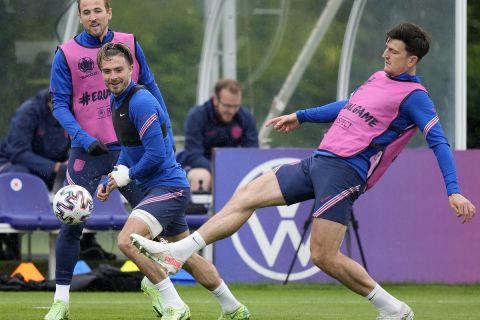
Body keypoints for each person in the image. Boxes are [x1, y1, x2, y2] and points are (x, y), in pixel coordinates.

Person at [130, 22, 477, 320]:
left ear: (412, 60)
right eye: (386, 48)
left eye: (393, 51)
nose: (385, 54)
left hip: (345, 172)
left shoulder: (415, 96)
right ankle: (181, 251)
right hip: (319, 160)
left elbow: (440, 141)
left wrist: (453, 189)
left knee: (323, 256)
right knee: (248, 194)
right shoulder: (377, 78)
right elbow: (348, 106)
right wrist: (301, 115)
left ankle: (393, 308)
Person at [96, 42, 249, 320]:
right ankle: (233, 308)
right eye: (107, 71)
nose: (113, 76)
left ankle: (175, 305)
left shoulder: (141, 101)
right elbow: (130, 149)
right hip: (157, 188)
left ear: (132, 68)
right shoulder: (115, 100)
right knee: (188, 257)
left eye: (119, 69)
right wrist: (116, 173)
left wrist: (128, 174)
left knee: (127, 241)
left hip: (169, 188)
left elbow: (156, 155)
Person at [45, 0, 170, 319]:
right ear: (80, 16)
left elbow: (150, 85)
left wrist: (164, 126)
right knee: (71, 222)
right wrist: (84, 138)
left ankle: (158, 288)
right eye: (86, 12)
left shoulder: (129, 43)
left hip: (130, 149)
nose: (92, 17)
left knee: (153, 225)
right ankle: (61, 301)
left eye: (97, 10)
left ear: (109, 12)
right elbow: (59, 104)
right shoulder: (66, 53)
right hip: (87, 152)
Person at [0, 88, 69, 260]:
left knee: (85, 177)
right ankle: (10, 244)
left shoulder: (74, 112)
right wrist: (55, 167)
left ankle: (87, 246)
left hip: (53, 170)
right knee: (18, 176)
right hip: (17, 167)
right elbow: (18, 152)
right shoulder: (28, 112)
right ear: (50, 102)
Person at [177, 79, 258, 193]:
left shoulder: (246, 118)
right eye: (227, 106)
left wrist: (235, 170)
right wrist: (220, 170)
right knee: (202, 177)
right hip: (200, 166)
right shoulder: (197, 116)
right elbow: (193, 155)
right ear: (215, 100)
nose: (232, 111)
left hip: (233, 168)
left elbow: (252, 153)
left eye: (236, 106)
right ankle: (199, 211)